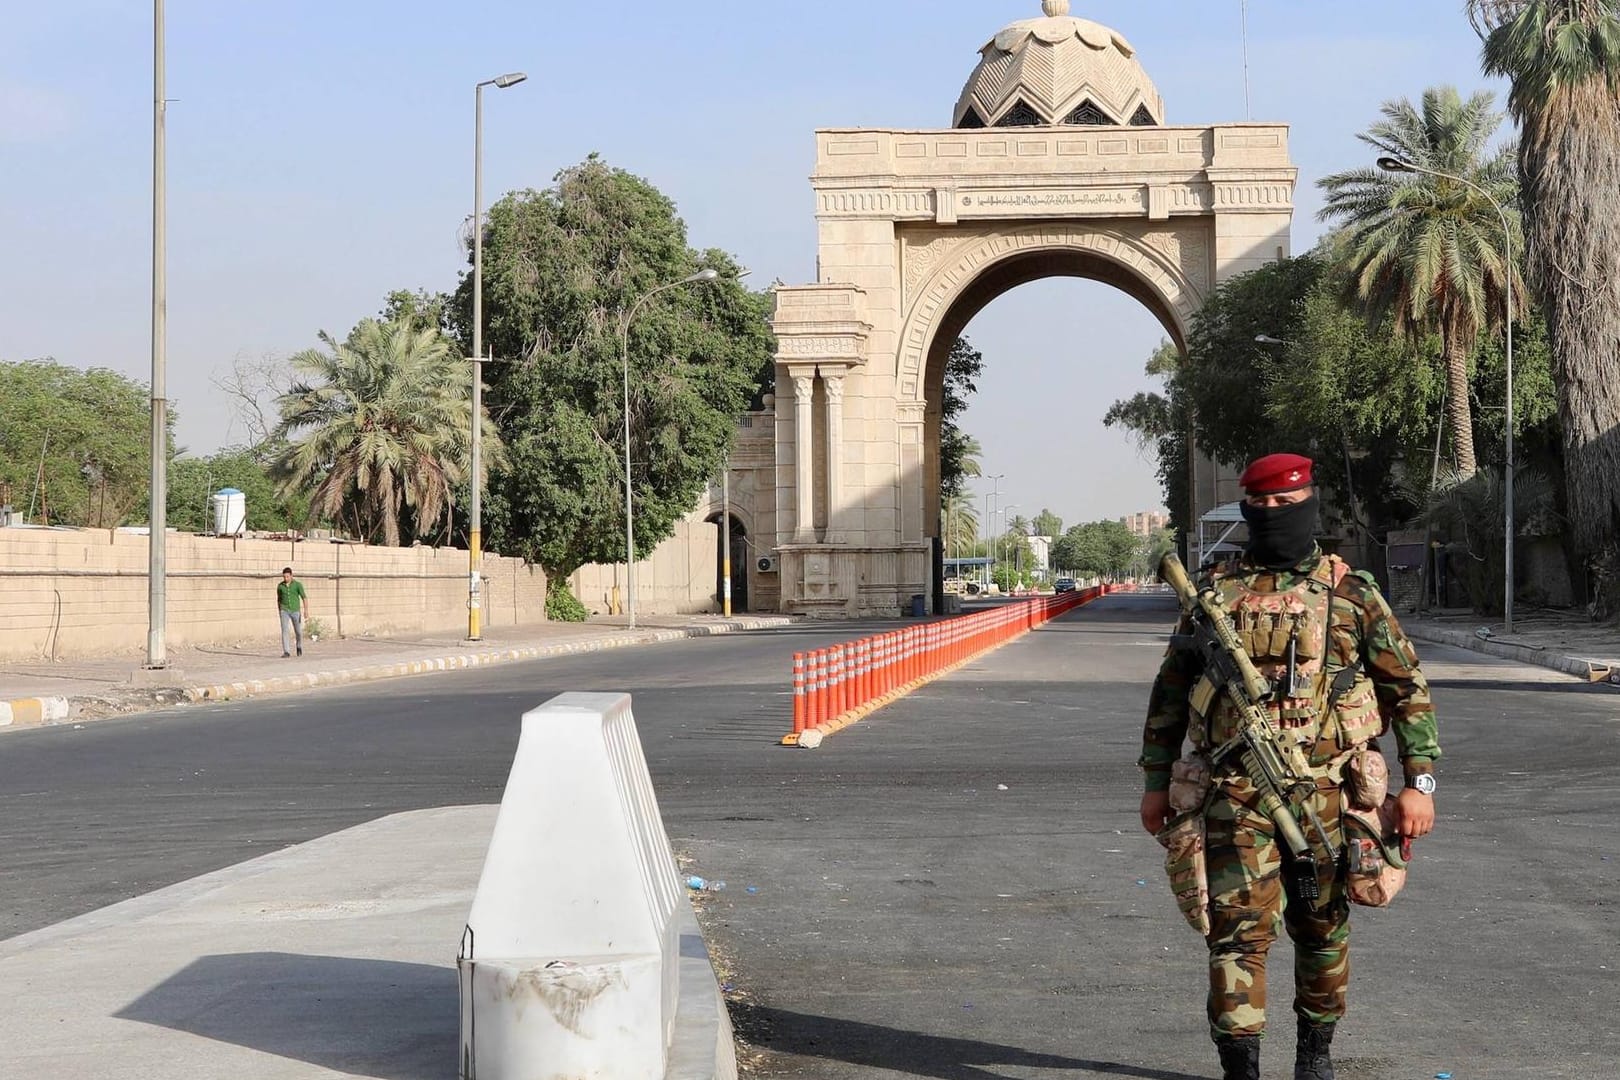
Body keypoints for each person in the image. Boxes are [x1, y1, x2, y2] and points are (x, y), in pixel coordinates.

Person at [1138, 453, 1440, 1080]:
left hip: (1329, 793)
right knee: (1236, 935)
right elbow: (1170, 694)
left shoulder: (1351, 592)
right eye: (1262, 505)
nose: (1273, 514)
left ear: (1309, 502)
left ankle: (1315, 1057)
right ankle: (1240, 1068)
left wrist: (1421, 784)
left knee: (1323, 927)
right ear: (1248, 507)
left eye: (1286, 503)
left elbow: (1406, 689)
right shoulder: (1214, 595)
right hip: (1234, 794)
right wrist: (1154, 781)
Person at [276, 566, 308, 658]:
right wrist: (280, 610)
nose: (286, 578)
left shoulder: (297, 585)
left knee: (298, 631)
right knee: (285, 630)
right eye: (284, 577)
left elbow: (304, 598)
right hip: (284, 610)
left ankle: (299, 645)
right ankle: (286, 651)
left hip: (295, 611)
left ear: (291, 576)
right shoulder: (280, 586)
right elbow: (279, 599)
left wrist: (306, 610)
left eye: (287, 576)